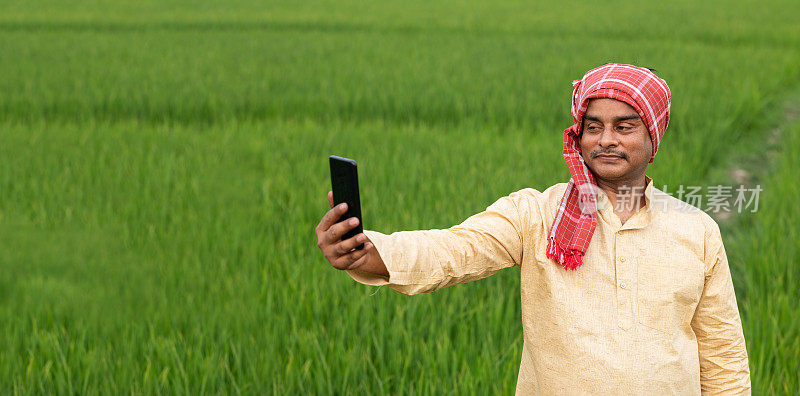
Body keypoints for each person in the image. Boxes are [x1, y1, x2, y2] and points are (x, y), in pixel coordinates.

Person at [315, 63, 751, 394]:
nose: (606, 140)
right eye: (593, 127)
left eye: (624, 127)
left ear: (652, 139)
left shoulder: (697, 230)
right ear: (578, 137)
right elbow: (454, 249)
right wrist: (369, 251)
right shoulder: (536, 215)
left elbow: (723, 356)